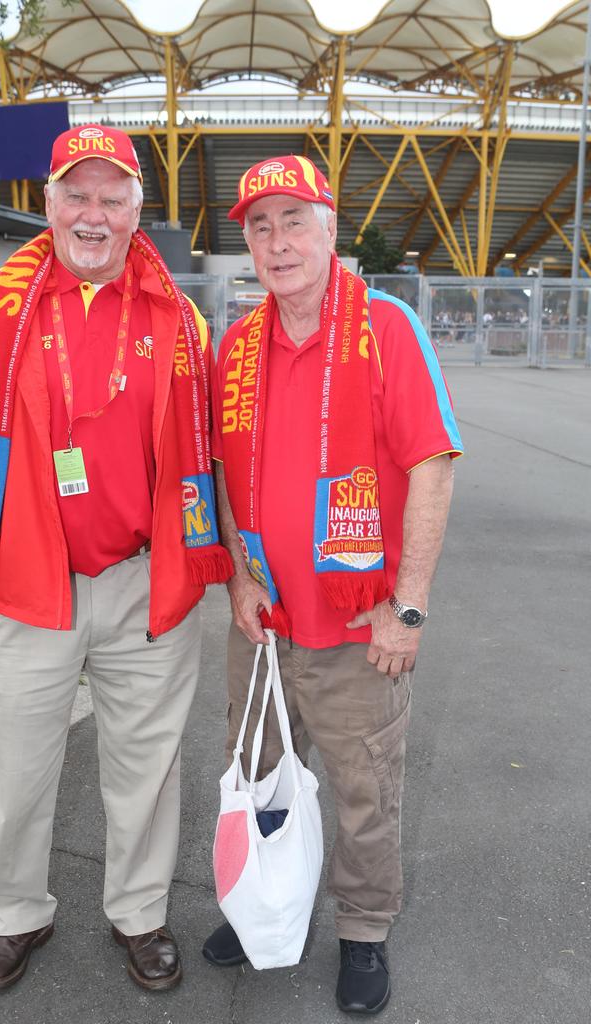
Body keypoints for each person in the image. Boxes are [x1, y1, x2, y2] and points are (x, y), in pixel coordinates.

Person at [0, 123, 231, 994]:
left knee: (149, 768)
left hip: (142, 581)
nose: (94, 215)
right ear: (48, 203)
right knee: (20, 769)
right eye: (77, 195)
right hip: (25, 584)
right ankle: (15, 915)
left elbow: (212, 453)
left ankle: (140, 913)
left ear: (138, 209)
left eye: (112, 196)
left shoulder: (181, 317)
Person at [204, 155, 463, 1016]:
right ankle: (258, 906)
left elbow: (432, 465)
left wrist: (410, 603)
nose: (276, 242)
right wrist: (239, 578)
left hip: (361, 629)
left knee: (363, 795)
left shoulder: (385, 329)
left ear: (327, 230)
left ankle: (362, 931)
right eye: (259, 226)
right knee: (259, 773)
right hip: (266, 624)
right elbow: (225, 480)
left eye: (291, 221)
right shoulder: (236, 347)